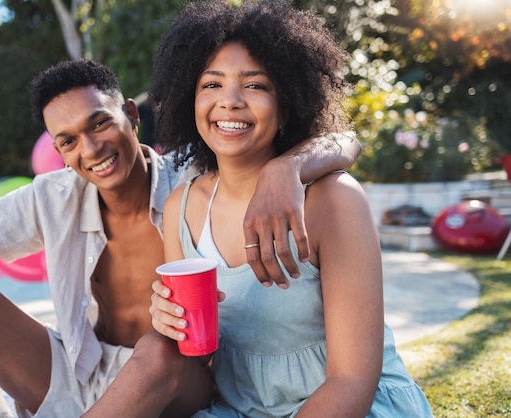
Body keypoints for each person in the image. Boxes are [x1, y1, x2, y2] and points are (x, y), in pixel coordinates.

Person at [0, 58, 360, 417]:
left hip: (177, 382)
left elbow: (345, 141)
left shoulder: (194, 179)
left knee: (158, 348)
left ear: (131, 115)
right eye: (68, 141)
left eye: (100, 123)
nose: (90, 149)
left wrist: (287, 167)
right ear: (59, 151)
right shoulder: (53, 195)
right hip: (80, 373)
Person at [149, 1, 434, 417]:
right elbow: (201, 366)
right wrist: (171, 324)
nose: (229, 101)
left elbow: (352, 381)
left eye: (255, 85)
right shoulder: (181, 207)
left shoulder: (333, 200)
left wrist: (286, 169)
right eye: (211, 84)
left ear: (287, 104)